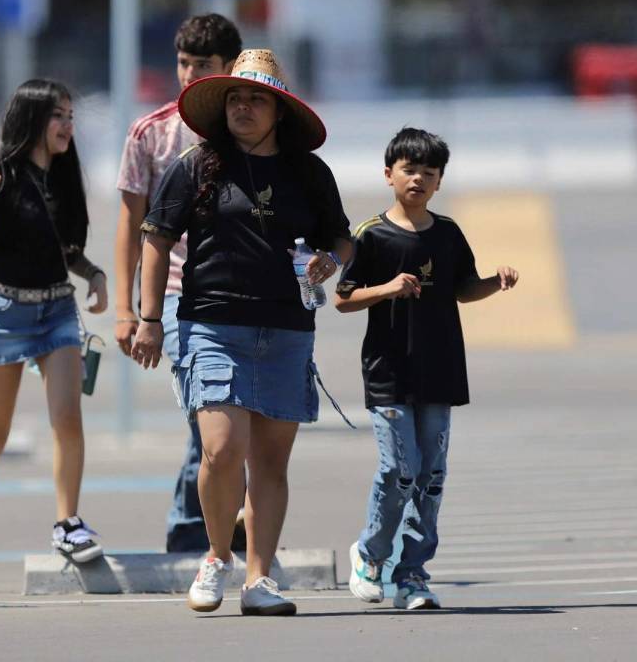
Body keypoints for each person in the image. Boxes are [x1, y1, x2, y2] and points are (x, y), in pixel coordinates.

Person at [131, 49, 352, 617]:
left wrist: (329, 259)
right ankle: (216, 555)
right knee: (221, 449)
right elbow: (155, 239)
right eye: (234, 97)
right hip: (211, 324)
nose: (243, 106)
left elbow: (341, 240)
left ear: (279, 110)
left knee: (270, 464)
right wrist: (149, 320)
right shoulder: (198, 164)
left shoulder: (310, 172)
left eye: (256, 98)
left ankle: (260, 579)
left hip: (286, 329)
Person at [336, 127, 518, 610]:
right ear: (388, 174)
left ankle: (413, 574)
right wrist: (388, 289)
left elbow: (462, 288)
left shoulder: (449, 233)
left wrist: (494, 283)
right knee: (399, 470)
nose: (418, 179)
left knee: (431, 475)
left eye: (429, 173)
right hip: (389, 371)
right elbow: (342, 298)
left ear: (439, 182)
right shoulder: (371, 234)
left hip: (439, 371)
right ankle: (371, 555)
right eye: (409, 169)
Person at [0, 79, 109, 588]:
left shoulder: (63, 177)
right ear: (34, 120)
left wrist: (95, 275)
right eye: (58, 116)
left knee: (68, 420)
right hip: (3, 313)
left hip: (56, 310)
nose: (67, 125)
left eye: (70, 115)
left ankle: (67, 523)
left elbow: (65, 251)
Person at [114, 13, 246, 553]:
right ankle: (197, 527)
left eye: (204, 66)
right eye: (183, 63)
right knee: (211, 413)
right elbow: (129, 225)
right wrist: (127, 310)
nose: (190, 75)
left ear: (230, 67)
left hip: (243, 290)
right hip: (172, 292)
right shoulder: (152, 133)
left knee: (236, 420)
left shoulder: (252, 126)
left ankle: (211, 522)